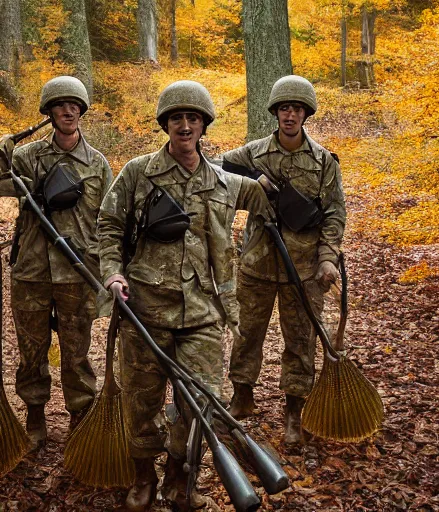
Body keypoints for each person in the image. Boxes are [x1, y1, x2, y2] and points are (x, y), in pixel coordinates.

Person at [97, 80, 272, 512]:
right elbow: (108, 227)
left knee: (201, 405)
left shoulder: (223, 181)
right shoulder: (138, 173)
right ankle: (143, 478)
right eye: (177, 118)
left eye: (193, 118)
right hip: (144, 310)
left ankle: (179, 478)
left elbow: (266, 199)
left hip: (202, 314)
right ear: (166, 124)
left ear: (204, 125)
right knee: (141, 401)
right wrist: (113, 274)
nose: (186, 125)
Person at [223, 75, 346, 444]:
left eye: (295, 109)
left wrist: (327, 259)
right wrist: (252, 183)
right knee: (246, 335)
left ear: (306, 114)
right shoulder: (253, 153)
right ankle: (242, 396)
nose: (289, 115)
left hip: (305, 269)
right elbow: (216, 172)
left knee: (301, 339)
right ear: (275, 113)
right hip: (257, 263)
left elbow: (335, 214)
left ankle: (295, 408)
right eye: (283, 109)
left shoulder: (324, 161)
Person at [0, 76, 113, 451]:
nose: (68, 111)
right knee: (32, 348)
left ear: (82, 111)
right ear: (48, 113)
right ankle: (35, 413)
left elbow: (109, 219)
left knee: (77, 350)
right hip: (31, 269)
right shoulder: (26, 156)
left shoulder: (97, 163)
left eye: (74, 106)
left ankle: (81, 413)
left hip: (78, 273)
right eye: (60, 106)